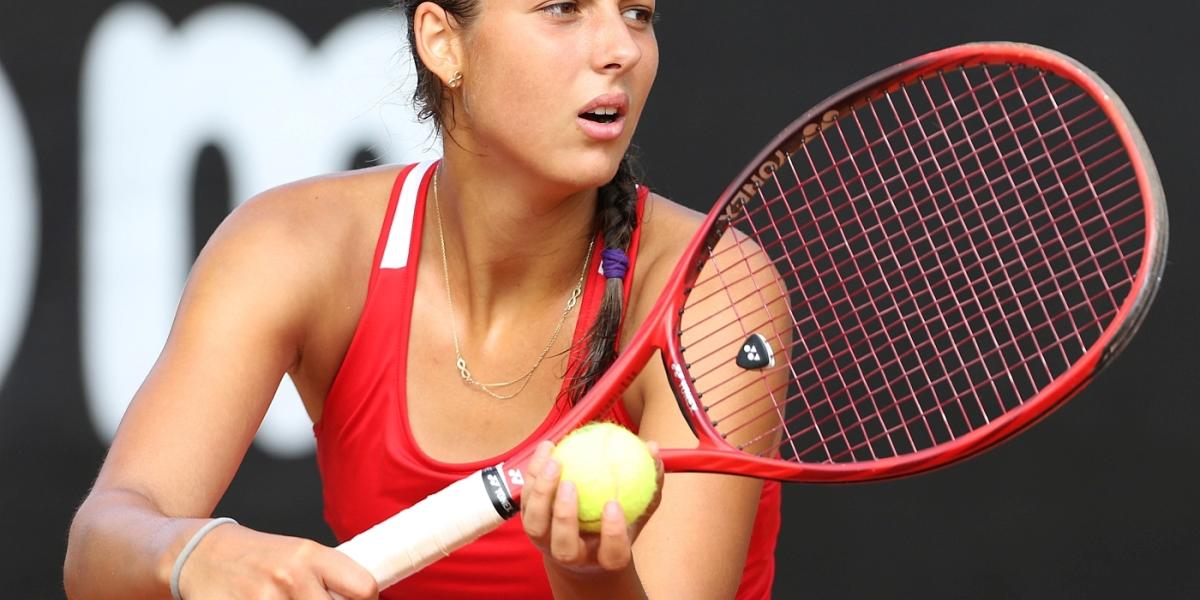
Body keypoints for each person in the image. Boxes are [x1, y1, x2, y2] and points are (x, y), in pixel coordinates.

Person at [64, 1, 781, 598]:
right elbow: (100, 547)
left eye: (637, 14)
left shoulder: (714, 290)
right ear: (443, 42)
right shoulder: (292, 246)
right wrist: (195, 554)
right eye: (564, 8)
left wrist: (588, 576)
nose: (621, 48)